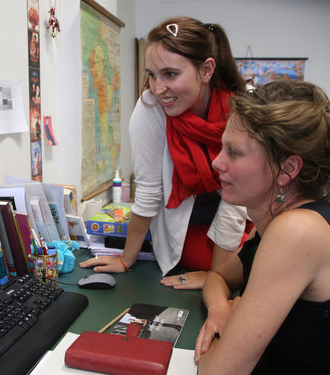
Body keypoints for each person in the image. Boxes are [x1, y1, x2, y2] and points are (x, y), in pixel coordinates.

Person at [80, 17, 249, 289]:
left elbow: (239, 198)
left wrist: (216, 275)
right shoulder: (151, 107)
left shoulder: (240, 107)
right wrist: (126, 260)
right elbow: (148, 191)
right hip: (188, 231)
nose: (158, 89)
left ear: (206, 70)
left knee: (258, 266)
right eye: (152, 74)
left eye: (170, 74)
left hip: (240, 221)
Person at [195, 79, 330, 374]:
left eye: (235, 152)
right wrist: (221, 309)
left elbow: (216, 371)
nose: (217, 162)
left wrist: (238, 311)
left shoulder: (296, 231)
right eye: (222, 148)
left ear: (287, 170)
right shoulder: (273, 223)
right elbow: (218, 275)